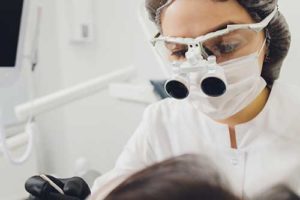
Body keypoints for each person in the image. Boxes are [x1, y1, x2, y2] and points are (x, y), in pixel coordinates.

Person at [92, 0, 300, 199]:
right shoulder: (161, 121)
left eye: (226, 46)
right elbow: (114, 188)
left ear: (268, 40)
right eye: (180, 51)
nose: (200, 69)